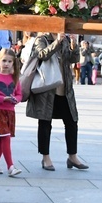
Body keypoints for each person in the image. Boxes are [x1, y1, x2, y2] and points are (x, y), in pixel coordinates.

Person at [25, 32, 87, 172]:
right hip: (47, 90)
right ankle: (45, 157)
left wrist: (74, 46)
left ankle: (72, 156)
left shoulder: (65, 39)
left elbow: (73, 59)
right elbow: (42, 55)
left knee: (72, 122)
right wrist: (56, 42)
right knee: (45, 123)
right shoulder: (42, 39)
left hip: (64, 89)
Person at [0, 48, 22, 177]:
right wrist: (3, 99)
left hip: (10, 111)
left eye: (9, 61)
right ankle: (10, 166)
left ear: (13, 63)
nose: (6, 64)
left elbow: (19, 94)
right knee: (5, 137)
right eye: (4, 61)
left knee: (2, 139)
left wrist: (15, 100)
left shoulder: (15, 78)